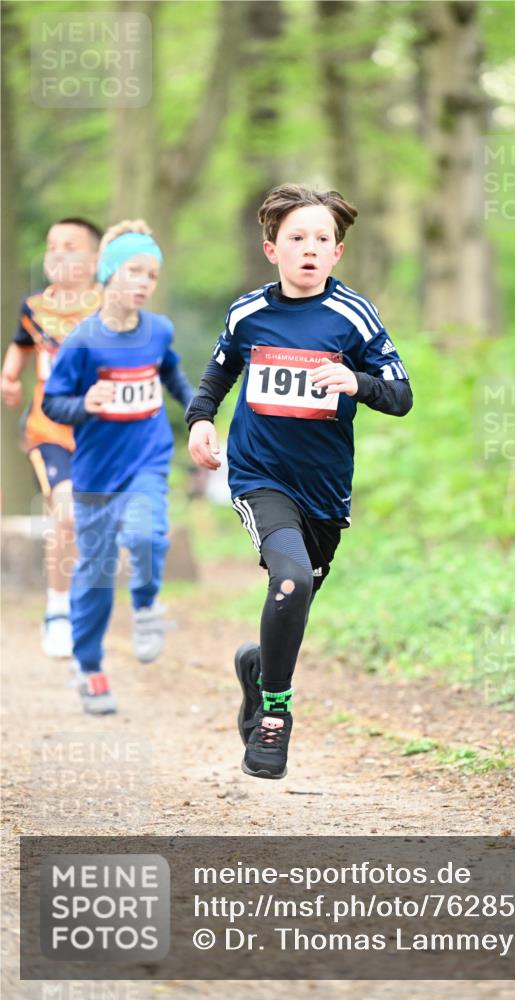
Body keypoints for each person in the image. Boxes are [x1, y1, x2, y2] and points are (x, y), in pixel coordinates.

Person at [186, 184, 412, 779]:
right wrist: (200, 422)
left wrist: (354, 382)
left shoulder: (352, 316)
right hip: (259, 475)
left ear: (336, 253)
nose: (310, 248)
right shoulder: (247, 314)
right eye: (297, 238)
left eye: (322, 239)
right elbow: (216, 376)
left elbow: (401, 396)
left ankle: (260, 668)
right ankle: (274, 716)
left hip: (324, 491)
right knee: (287, 582)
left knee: (299, 595)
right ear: (272, 249)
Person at [42, 220, 194, 714]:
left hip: (147, 458)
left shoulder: (159, 330)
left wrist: (197, 412)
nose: (144, 283)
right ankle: (89, 668)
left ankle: (147, 607)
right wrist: (86, 401)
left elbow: (169, 369)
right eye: (135, 271)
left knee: (149, 533)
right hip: (95, 475)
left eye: (151, 275)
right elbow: (52, 404)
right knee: (96, 576)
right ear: (110, 274)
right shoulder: (82, 343)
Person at [1, 217, 103, 658]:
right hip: (49, 430)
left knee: (85, 520)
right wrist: (9, 376)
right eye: (52, 245)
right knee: (65, 514)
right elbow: (23, 342)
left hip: (100, 434)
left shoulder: (110, 308)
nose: (58, 253)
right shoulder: (34, 307)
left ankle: (83, 602)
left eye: (71, 246)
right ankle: (58, 610)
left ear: (96, 260)